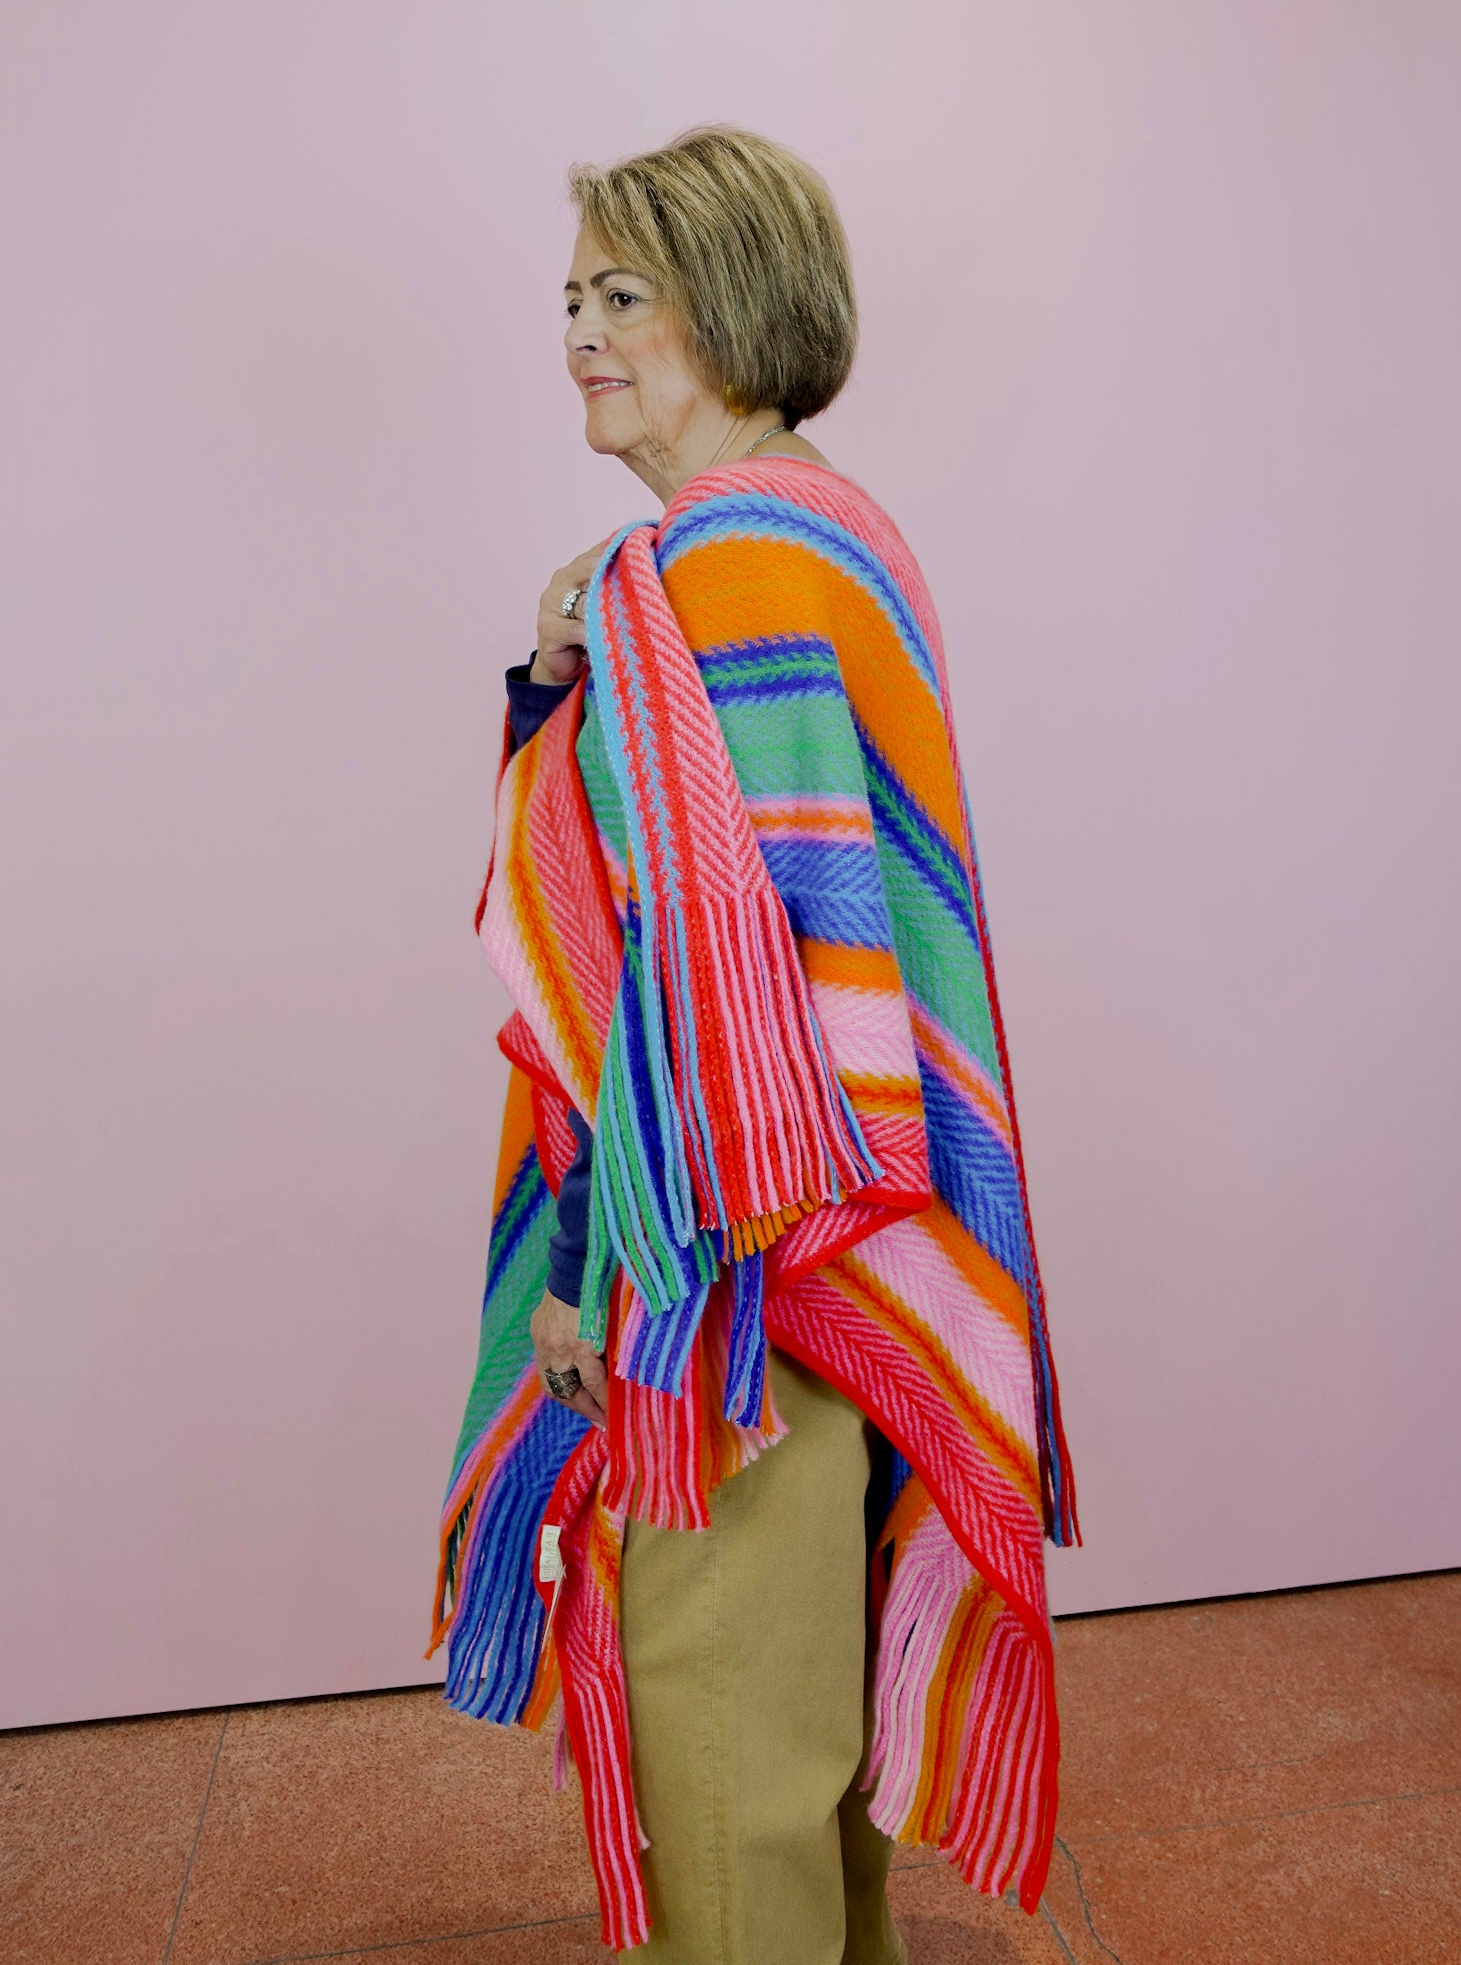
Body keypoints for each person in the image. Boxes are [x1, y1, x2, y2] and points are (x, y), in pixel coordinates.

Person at [427, 126, 1078, 1965]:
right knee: (799, 1739)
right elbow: (751, 920)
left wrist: (590, 1264)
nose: (579, 332)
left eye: (623, 295)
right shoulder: (825, 537)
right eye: (570, 297)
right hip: (857, 1223)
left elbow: (695, 993)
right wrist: (556, 685)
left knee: (719, 1729)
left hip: (725, 1261)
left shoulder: (703, 577)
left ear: (735, 307)